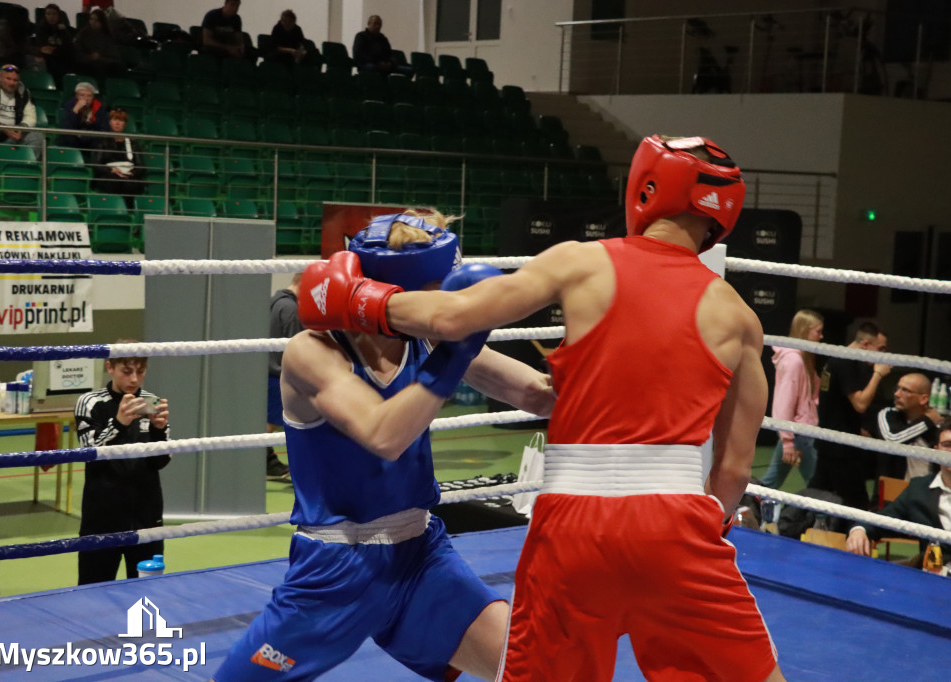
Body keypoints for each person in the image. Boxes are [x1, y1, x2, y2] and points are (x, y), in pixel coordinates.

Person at [300, 136, 785, 681]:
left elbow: (455, 319)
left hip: (573, 525)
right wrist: (692, 530)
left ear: (647, 188)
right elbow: (734, 472)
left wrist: (358, 299)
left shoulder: (583, 263)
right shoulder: (741, 319)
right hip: (677, 524)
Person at [214, 210, 555, 681]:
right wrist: (457, 352)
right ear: (398, 292)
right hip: (338, 565)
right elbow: (384, 434)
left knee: (530, 667)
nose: (454, 304)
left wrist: (596, 368)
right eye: (441, 289)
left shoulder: (430, 338)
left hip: (421, 556)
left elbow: (535, 394)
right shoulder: (315, 351)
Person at [846, 418, 951, 590]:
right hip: (925, 585)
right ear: (936, 451)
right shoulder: (919, 489)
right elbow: (882, 520)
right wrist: (859, 531)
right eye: (948, 445)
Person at [75, 348, 170, 585]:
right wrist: (119, 423)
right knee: (94, 591)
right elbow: (89, 452)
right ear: (110, 367)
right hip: (102, 516)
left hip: (146, 514)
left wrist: (159, 430)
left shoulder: (152, 401)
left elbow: (161, 461)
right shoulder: (90, 402)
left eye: (140, 371)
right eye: (126, 372)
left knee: (146, 592)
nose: (134, 379)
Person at [808, 321, 892, 510]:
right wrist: (878, 374)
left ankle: (797, 531)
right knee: (858, 506)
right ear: (865, 345)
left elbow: (837, 402)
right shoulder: (846, 362)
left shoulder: (839, 358)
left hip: (832, 441)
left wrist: (856, 428)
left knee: (815, 496)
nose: (883, 355)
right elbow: (860, 404)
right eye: (881, 349)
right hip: (840, 449)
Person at [762, 309, 823, 489]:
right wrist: (787, 440)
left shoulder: (803, 358)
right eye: (818, 331)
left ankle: (747, 507)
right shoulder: (794, 361)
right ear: (805, 330)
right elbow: (784, 401)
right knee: (817, 485)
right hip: (799, 433)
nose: (821, 336)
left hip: (799, 431)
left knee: (770, 482)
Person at [265, 272, 302, 482]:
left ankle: (267, 461)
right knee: (272, 423)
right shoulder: (291, 308)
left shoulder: (274, 301)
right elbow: (296, 345)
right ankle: (263, 461)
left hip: (270, 369)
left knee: (272, 422)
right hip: (279, 372)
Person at [871, 372, 941, 481]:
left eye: (905, 390)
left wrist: (930, 422)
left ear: (923, 399)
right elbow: (892, 440)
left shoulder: (937, 425)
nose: (897, 394)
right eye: (897, 388)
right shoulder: (888, 414)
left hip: (927, 491)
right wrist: (927, 421)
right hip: (891, 492)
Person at [0, 65, 44, 158]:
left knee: (37, 137)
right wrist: (1, 127)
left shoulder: (24, 93)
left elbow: (30, 117)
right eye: (8, 79)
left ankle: (25, 165)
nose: (12, 83)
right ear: (0, 78)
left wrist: (21, 128)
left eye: (15, 80)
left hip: (14, 135)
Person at [91, 107, 146, 203]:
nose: (117, 123)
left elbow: (140, 165)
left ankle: (128, 211)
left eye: (120, 120)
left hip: (128, 173)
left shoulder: (132, 143)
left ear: (125, 124)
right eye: (114, 120)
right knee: (113, 181)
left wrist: (132, 172)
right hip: (109, 174)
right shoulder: (101, 141)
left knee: (131, 184)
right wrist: (112, 170)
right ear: (110, 122)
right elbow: (96, 163)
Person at [57, 81, 110, 150]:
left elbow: (104, 129)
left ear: (93, 97)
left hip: (92, 138)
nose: (86, 99)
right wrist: (75, 110)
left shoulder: (99, 107)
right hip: (74, 138)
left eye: (89, 96)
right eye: (82, 95)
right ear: (76, 96)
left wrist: (89, 135)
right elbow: (67, 127)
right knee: (68, 138)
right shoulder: (69, 105)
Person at [74, 9, 124, 78]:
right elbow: (77, 51)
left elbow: (114, 57)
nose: (93, 22)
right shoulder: (83, 34)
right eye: (91, 19)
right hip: (87, 64)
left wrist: (100, 58)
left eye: (97, 20)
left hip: (103, 64)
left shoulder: (107, 37)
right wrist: (89, 57)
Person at [33, 4, 75, 82]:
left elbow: (69, 46)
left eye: (54, 14)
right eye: (48, 14)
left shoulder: (64, 29)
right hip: (48, 59)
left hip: (63, 58)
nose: (51, 17)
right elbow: (43, 47)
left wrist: (64, 31)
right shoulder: (40, 29)